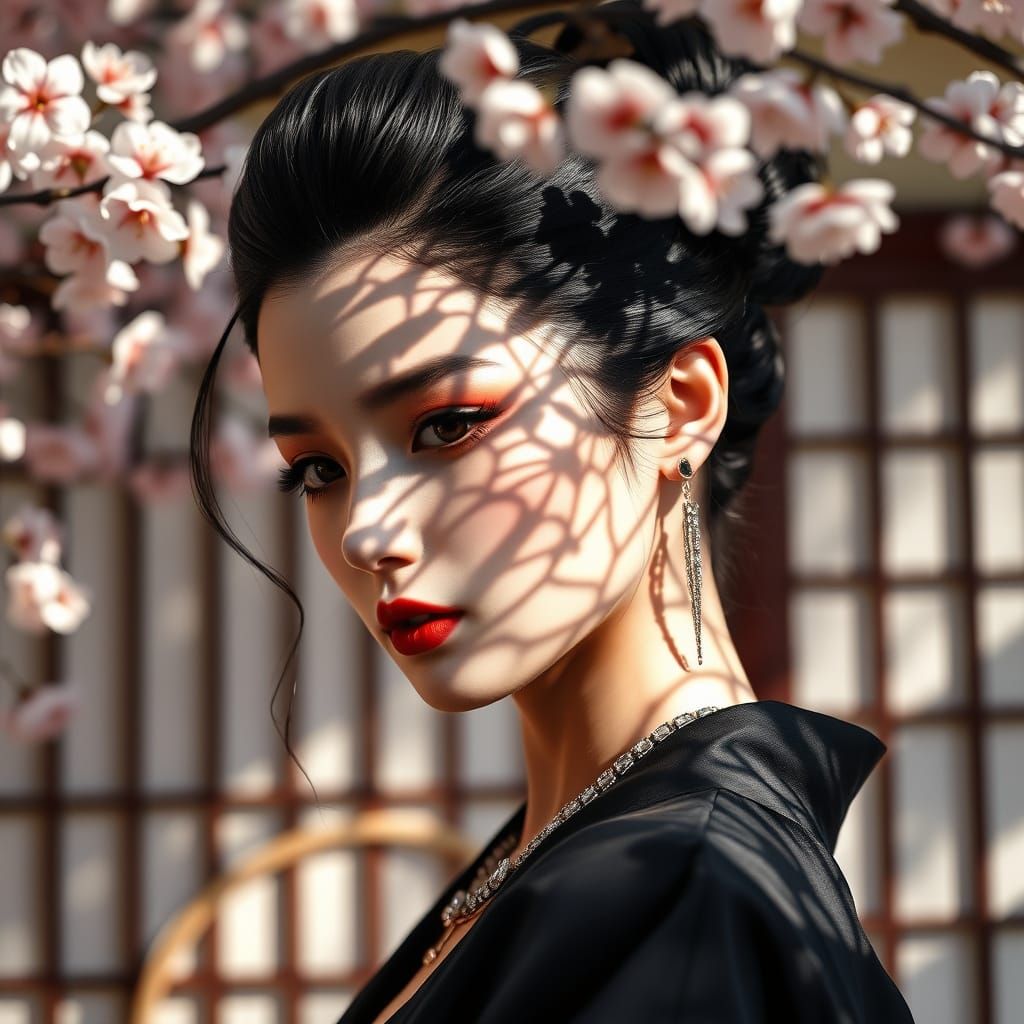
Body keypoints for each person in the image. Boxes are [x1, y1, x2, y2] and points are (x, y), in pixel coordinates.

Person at [189, 1, 918, 1020]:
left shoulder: (683, 890)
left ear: (680, 405)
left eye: (446, 426)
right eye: (314, 467)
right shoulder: (588, 851)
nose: (364, 530)